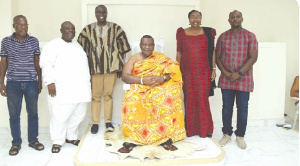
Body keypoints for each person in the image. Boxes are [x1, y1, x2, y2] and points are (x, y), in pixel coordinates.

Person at [118, 35, 186, 153]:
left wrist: (163, 78)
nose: (147, 47)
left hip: (158, 85)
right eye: (144, 45)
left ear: (154, 46)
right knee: (132, 99)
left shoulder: (160, 57)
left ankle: (165, 137)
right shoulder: (134, 58)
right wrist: (143, 81)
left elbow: (174, 70)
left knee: (168, 94)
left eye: (150, 45)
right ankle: (133, 138)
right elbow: (125, 76)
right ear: (140, 46)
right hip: (139, 84)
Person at [78, 5, 131, 134]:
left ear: (106, 13)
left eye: (103, 12)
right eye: (98, 12)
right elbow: (80, 51)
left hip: (111, 68)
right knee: (95, 96)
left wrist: (119, 67)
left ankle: (108, 121)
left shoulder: (116, 28)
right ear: (95, 14)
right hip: (94, 69)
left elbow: (123, 49)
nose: (101, 14)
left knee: (108, 95)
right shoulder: (88, 30)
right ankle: (95, 122)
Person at [40, 21, 91, 153]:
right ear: (61, 30)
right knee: (59, 116)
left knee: (79, 114)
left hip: (79, 89)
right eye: (67, 29)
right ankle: (57, 141)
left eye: (72, 29)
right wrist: (49, 82)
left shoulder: (77, 46)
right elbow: (46, 64)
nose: (70, 31)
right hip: (61, 89)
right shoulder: (53, 45)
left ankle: (71, 136)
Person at [0, 15, 44, 156]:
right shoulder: (6, 42)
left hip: (31, 83)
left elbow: (37, 62)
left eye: (25, 25)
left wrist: (40, 80)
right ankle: (16, 143)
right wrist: (1, 82)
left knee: (33, 113)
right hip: (13, 84)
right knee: (14, 115)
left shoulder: (34, 41)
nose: (24, 28)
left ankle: (33, 140)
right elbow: (3, 63)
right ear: (14, 26)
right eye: (20, 25)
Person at [216, 10, 258, 149]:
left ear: (242, 19)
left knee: (243, 108)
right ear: (229, 20)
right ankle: (227, 134)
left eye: (237, 17)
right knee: (227, 107)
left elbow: (253, 57)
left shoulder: (250, 36)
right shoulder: (222, 37)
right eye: (232, 17)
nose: (235, 19)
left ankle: (240, 136)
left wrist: (238, 73)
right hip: (226, 78)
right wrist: (226, 73)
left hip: (244, 78)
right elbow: (217, 57)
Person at [176, 10, 216, 138]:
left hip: (204, 72)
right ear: (188, 19)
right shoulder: (182, 33)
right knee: (189, 99)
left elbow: (213, 52)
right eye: (192, 17)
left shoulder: (208, 32)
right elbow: (179, 53)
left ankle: (205, 130)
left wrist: (214, 69)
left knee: (202, 99)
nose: (195, 19)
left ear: (201, 19)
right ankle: (191, 130)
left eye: (198, 17)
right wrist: (177, 71)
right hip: (187, 72)